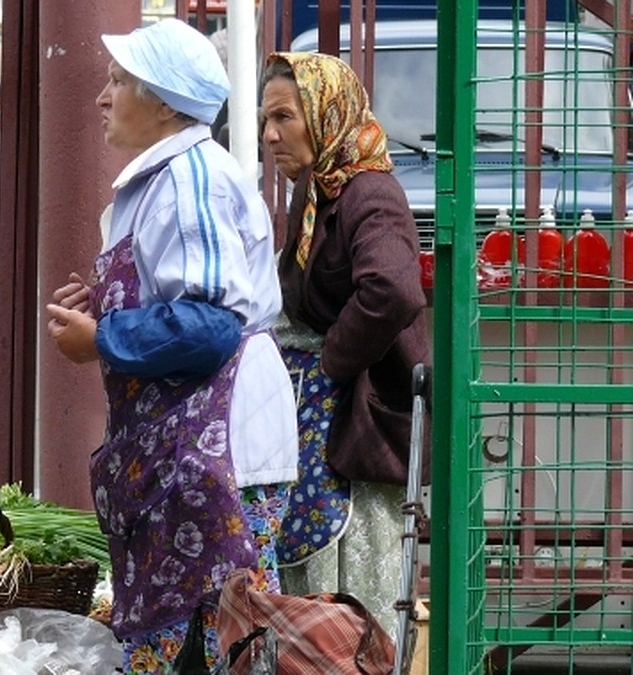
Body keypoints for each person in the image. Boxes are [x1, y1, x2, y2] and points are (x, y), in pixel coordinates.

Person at [45, 18, 297, 672]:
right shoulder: (162, 178)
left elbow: (210, 323)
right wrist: (107, 304)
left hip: (219, 451)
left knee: (228, 641)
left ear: (163, 104)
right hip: (187, 454)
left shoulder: (192, 179)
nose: (103, 96)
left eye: (119, 81)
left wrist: (100, 336)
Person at [259, 52, 430, 640]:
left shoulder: (369, 193)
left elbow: (392, 290)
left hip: (356, 419)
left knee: (353, 583)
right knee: (312, 583)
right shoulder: (318, 190)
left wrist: (330, 361)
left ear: (326, 114)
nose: (269, 135)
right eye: (265, 120)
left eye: (284, 116)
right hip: (323, 419)